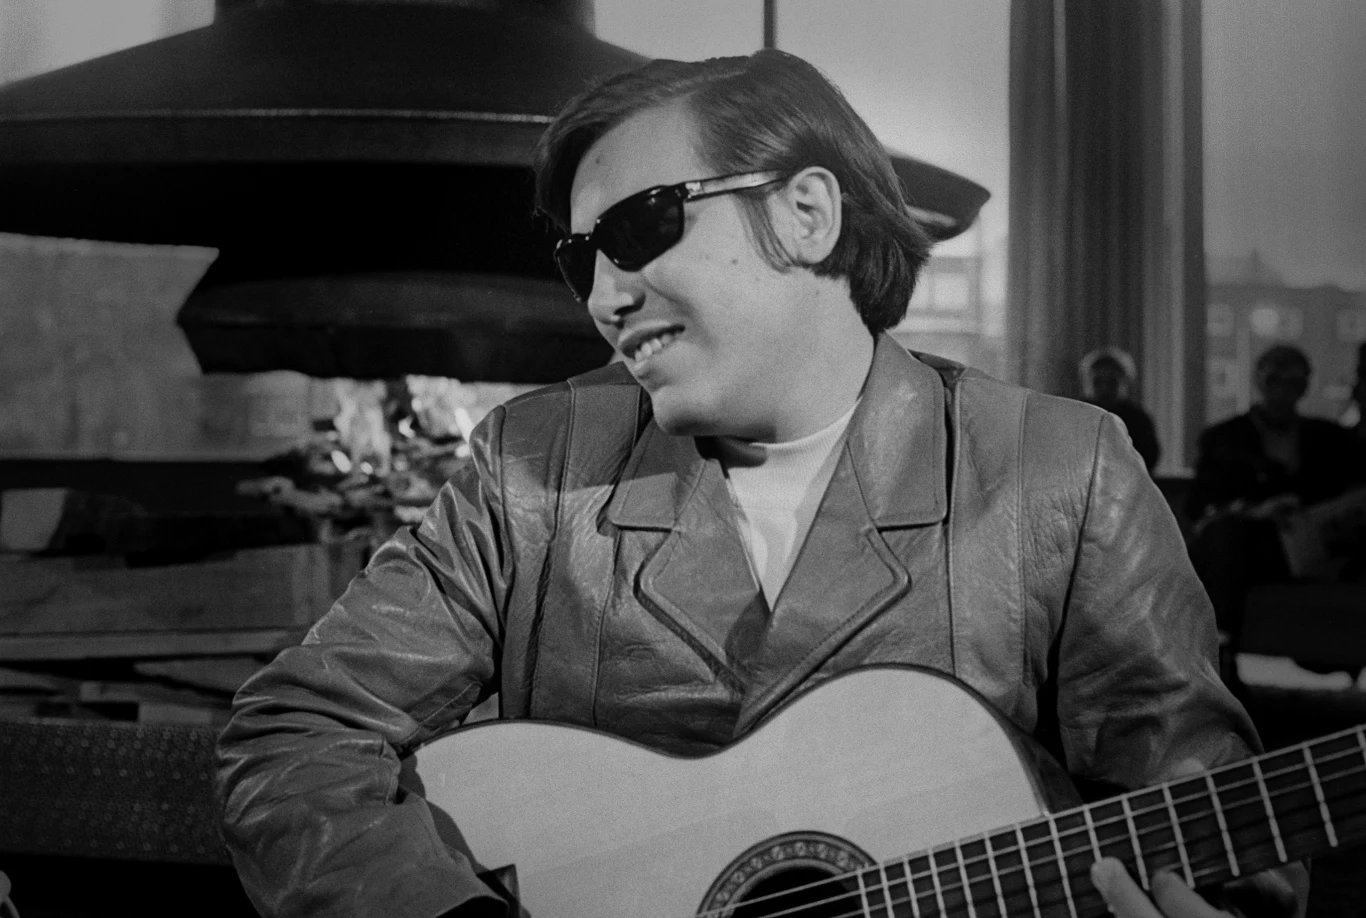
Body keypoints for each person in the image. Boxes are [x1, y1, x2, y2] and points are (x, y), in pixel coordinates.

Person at [215, 50, 1302, 918]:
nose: (603, 295)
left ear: (807, 214)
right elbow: (295, 734)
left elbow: (1226, 844)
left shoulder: (1063, 473)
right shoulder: (533, 465)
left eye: (640, 227)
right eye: (579, 258)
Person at [1187, 344, 1363, 645]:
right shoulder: (1224, 438)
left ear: (1305, 386)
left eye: (1293, 382)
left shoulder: (1329, 437)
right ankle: (1219, 644)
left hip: (1316, 544)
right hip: (1252, 544)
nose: (1282, 391)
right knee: (1223, 536)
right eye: (1274, 380)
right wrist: (1256, 511)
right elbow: (1200, 503)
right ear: (1259, 381)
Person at [1079, 346, 1161, 472]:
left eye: (1112, 382)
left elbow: (1147, 459)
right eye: (1098, 382)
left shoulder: (1139, 420)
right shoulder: (1075, 416)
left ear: (1125, 382)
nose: (1105, 389)